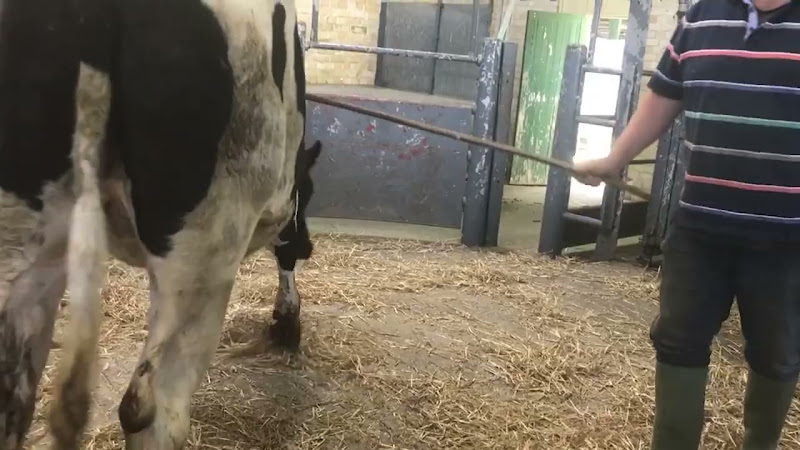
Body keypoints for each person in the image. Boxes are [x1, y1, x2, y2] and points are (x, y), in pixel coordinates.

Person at [574, 0, 800, 448]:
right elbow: (665, 93)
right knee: (678, 341)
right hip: (701, 227)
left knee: (777, 354)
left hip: (787, 236)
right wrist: (616, 159)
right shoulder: (702, 15)